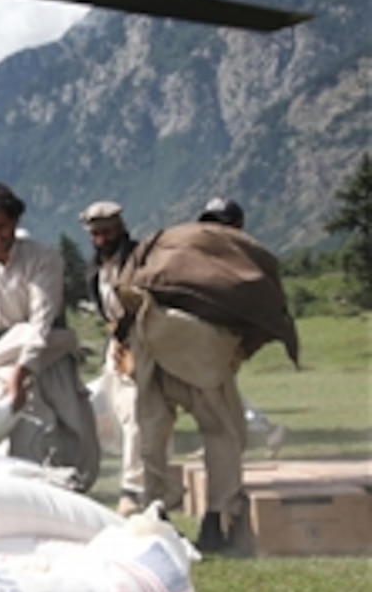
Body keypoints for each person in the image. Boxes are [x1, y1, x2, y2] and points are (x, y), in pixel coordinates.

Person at [115, 218, 299, 553]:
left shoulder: (165, 240)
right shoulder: (238, 253)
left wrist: (124, 338)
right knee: (222, 434)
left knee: (151, 434)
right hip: (201, 350)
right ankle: (216, 520)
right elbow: (261, 305)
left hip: (155, 341)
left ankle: (159, 514)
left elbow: (126, 291)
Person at [0, 183, 100, 491]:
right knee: (22, 428)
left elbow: (42, 320)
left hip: (48, 351)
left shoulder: (43, 259)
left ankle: (75, 490)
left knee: (73, 427)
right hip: (3, 355)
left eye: (2, 227)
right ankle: (29, 492)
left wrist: (24, 371)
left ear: (15, 222)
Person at [199, 197, 288, 458]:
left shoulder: (244, 257)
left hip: (228, 332)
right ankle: (257, 431)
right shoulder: (209, 253)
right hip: (211, 330)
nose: (215, 229)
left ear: (238, 225)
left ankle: (259, 430)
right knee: (215, 389)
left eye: (221, 223)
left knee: (214, 388)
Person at [79, 201, 148, 516]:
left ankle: (132, 488)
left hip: (143, 343)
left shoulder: (139, 259)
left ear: (119, 229)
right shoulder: (96, 269)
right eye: (96, 234)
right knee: (114, 411)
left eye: (107, 232)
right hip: (116, 346)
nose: (102, 239)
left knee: (135, 413)